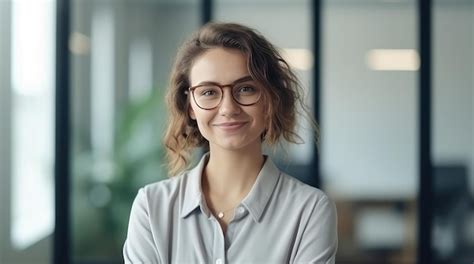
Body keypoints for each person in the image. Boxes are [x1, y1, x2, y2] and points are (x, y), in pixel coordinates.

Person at [123, 22, 337, 264]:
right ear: (190, 105)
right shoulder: (152, 207)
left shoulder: (309, 210)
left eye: (245, 89)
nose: (228, 108)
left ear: (270, 99)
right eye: (209, 92)